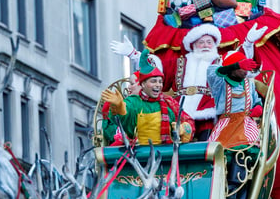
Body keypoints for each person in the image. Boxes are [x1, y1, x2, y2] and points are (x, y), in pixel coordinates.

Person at [111, 23, 267, 141]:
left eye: (209, 42)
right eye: (201, 42)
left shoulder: (220, 62)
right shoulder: (178, 62)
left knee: (207, 141)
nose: (205, 46)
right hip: (181, 108)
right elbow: (154, 69)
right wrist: (133, 54)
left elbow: (241, 64)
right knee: (176, 137)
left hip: (209, 109)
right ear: (193, 45)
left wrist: (248, 43)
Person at [205, 50, 264, 199]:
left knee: (247, 151)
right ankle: (229, 194)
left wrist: (257, 108)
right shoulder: (220, 82)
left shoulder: (249, 83)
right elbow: (213, 71)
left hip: (245, 123)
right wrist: (235, 64)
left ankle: (239, 194)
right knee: (225, 154)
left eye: (246, 67)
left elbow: (256, 100)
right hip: (226, 124)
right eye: (242, 67)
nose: (246, 71)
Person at [100, 50, 194, 146]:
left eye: (160, 82)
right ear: (143, 84)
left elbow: (188, 123)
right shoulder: (134, 102)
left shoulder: (168, 104)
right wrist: (119, 107)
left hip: (167, 152)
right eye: (153, 81)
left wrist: (182, 129)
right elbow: (125, 115)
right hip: (142, 155)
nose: (158, 85)